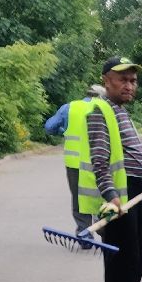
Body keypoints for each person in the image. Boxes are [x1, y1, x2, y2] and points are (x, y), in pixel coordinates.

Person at [66, 55, 142, 282]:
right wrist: (111, 195)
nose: (129, 86)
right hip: (121, 194)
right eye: (123, 80)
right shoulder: (100, 111)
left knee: (137, 254)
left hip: (136, 190)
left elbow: (128, 152)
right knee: (122, 257)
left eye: (133, 81)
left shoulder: (119, 111)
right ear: (106, 80)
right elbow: (100, 158)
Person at [48, 84, 107, 233]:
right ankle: (103, 229)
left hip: (74, 164)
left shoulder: (70, 107)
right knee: (103, 194)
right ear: (101, 96)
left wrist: (63, 131)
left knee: (79, 198)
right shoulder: (106, 108)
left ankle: (84, 233)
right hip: (100, 162)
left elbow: (49, 127)